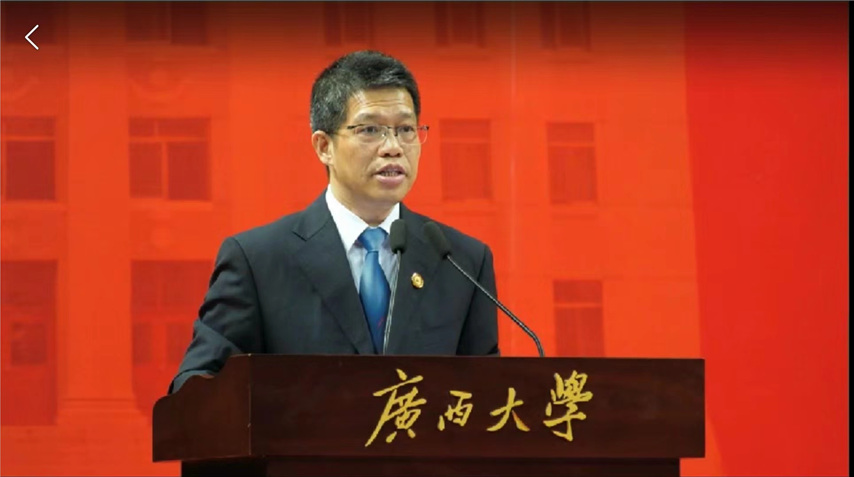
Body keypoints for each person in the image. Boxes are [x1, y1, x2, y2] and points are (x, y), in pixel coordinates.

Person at [170, 50, 499, 393]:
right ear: (324, 146)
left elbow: (488, 394)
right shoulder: (258, 261)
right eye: (370, 129)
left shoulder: (462, 261)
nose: (393, 147)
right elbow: (197, 389)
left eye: (405, 129)